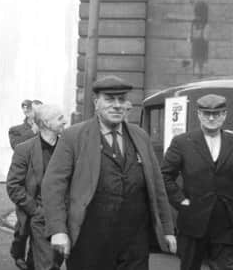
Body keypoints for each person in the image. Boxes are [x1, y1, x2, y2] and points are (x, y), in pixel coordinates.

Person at [42, 75, 177, 270]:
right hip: (89, 241)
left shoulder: (140, 136)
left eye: (121, 99)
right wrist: (58, 230)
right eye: (109, 99)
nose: (116, 105)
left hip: (134, 243)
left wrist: (167, 229)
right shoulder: (74, 137)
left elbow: (157, 186)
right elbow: (53, 185)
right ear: (96, 103)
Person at [162, 94, 233, 270]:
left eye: (217, 113)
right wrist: (181, 201)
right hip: (193, 221)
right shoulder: (182, 142)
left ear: (225, 115)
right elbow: (165, 176)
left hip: (226, 223)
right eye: (206, 113)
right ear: (198, 114)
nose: (211, 118)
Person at [7, 104, 67, 270]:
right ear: (47, 123)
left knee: (54, 261)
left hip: (63, 216)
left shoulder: (69, 148)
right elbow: (13, 186)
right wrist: (35, 210)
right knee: (47, 265)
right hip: (39, 216)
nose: (65, 121)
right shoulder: (24, 150)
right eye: (60, 118)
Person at [7, 99, 38, 269]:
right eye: (34, 110)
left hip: (41, 184)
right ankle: (17, 252)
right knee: (23, 224)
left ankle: (32, 259)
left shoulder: (48, 129)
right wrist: (34, 131)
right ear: (27, 111)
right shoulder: (16, 130)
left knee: (37, 227)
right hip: (23, 183)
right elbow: (16, 146)